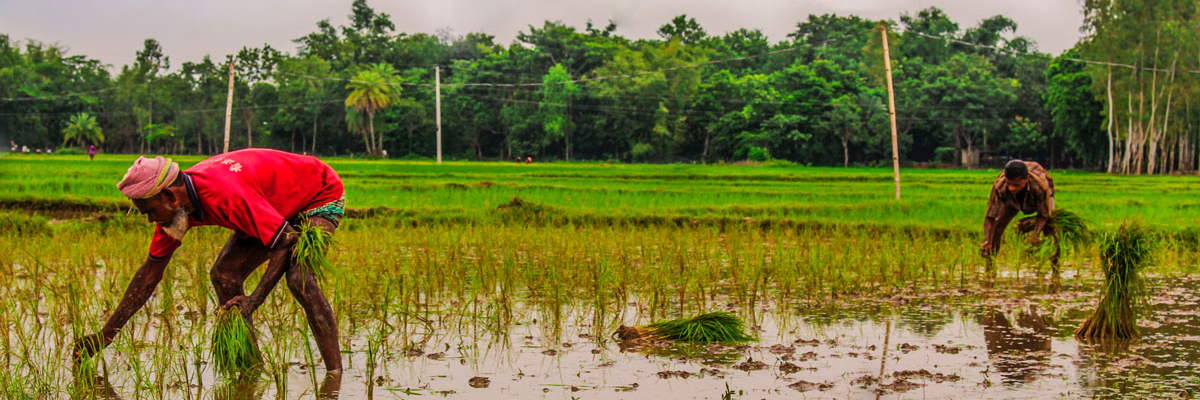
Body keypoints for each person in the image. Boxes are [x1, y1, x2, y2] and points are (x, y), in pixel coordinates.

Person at [73, 149, 346, 377]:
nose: (150, 220)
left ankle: (335, 376)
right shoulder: (175, 214)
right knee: (224, 273)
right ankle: (250, 369)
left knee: (300, 280)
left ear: (170, 196)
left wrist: (254, 299)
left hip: (317, 193)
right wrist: (105, 335)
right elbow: (149, 274)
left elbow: (284, 241)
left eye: (150, 211)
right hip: (271, 205)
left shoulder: (224, 193)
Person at [981, 159, 1055, 258]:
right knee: (998, 227)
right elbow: (990, 216)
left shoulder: (1040, 187)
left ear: (1027, 179)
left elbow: (1043, 214)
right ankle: (990, 263)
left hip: (1037, 198)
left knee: (1051, 229)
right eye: (1009, 184)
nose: (1012, 188)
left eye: (1016, 185)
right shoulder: (1000, 186)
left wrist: (1035, 235)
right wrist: (988, 240)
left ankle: (1055, 266)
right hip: (1013, 201)